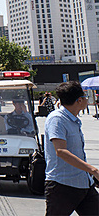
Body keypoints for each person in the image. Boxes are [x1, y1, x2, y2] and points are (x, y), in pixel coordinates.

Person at [44, 80, 99, 215]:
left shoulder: (73, 119)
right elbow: (61, 151)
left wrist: (90, 175)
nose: (87, 99)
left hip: (83, 182)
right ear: (79, 100)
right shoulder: (57, 119)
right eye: (85, 97)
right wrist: (93, 169)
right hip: (62, 186)